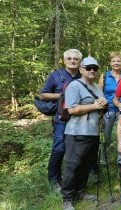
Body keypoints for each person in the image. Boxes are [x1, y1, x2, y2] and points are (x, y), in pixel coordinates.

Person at [61, 57, 108, 210]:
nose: (92, 70)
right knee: (72, 165)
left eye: (95, 68)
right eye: (88, 68)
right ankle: (67, 198)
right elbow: (72, 109)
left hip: (93, 132)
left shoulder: (97, 88)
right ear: (81, 69)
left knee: (86, 164)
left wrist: (103, 107)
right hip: (76, 132)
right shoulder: (74, 86)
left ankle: (80, 191)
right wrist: (94, 105)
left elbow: (99, 107)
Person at [39, 49, 82, 192]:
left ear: (79, 61)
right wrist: (61, 96)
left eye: (75, 59)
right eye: (69, 58)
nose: (72, 61)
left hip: (79, 119)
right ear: (64, 60)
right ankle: (54, 179)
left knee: (76, 149)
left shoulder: (83, 76)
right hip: (61, 118)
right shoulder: (56, 75)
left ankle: (74, 180)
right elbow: (43, 95)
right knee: (59, 148)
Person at [98, 52, 121, 171]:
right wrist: (100, 109)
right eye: (114, 61)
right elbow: (99, 93)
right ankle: (104, 161)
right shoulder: (104, 76)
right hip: (108, 110)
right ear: (110, 63)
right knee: (106, 137)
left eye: (118, 61)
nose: (116, 63)